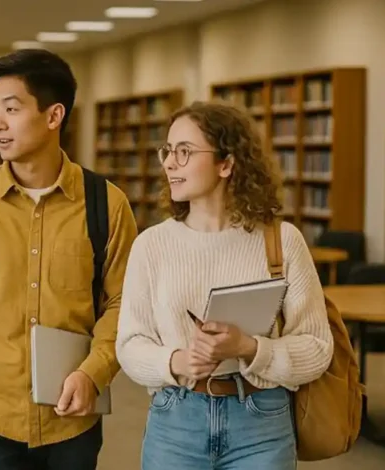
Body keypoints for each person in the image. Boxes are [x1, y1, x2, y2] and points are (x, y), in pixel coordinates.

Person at [0, 48, 138, 470]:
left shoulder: (106, 205)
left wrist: (93, 372)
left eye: (11, 109)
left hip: (71, 419)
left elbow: (124, 304)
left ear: (54, 115)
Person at [115, 101, 334, 469]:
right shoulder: (151, 245)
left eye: (184, 152)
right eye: (167, 152)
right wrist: (177, 362)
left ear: (227, 164)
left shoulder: (281, 240)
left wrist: (250, 349)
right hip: (176, 418)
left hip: (261, 420)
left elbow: (317, 347)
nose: (169, 163)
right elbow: (130, 344)